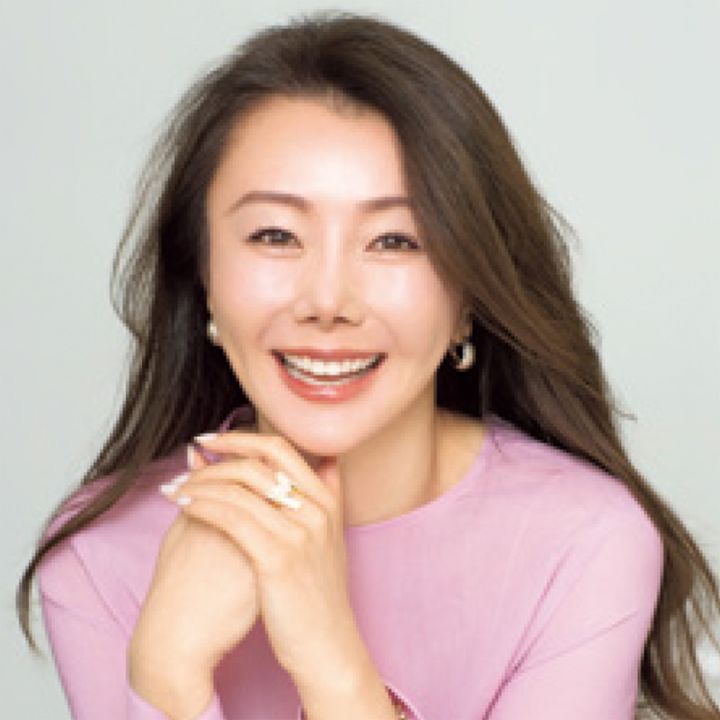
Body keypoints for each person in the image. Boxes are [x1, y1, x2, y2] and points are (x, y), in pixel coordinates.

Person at [15, 11, 720, 720]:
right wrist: (166, 675)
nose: (328, 301)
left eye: (394, 241)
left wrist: (330, 659)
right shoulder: (98, 554)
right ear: (203, 277)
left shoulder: (584, 543)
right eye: (275, 235)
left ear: (468, 296)